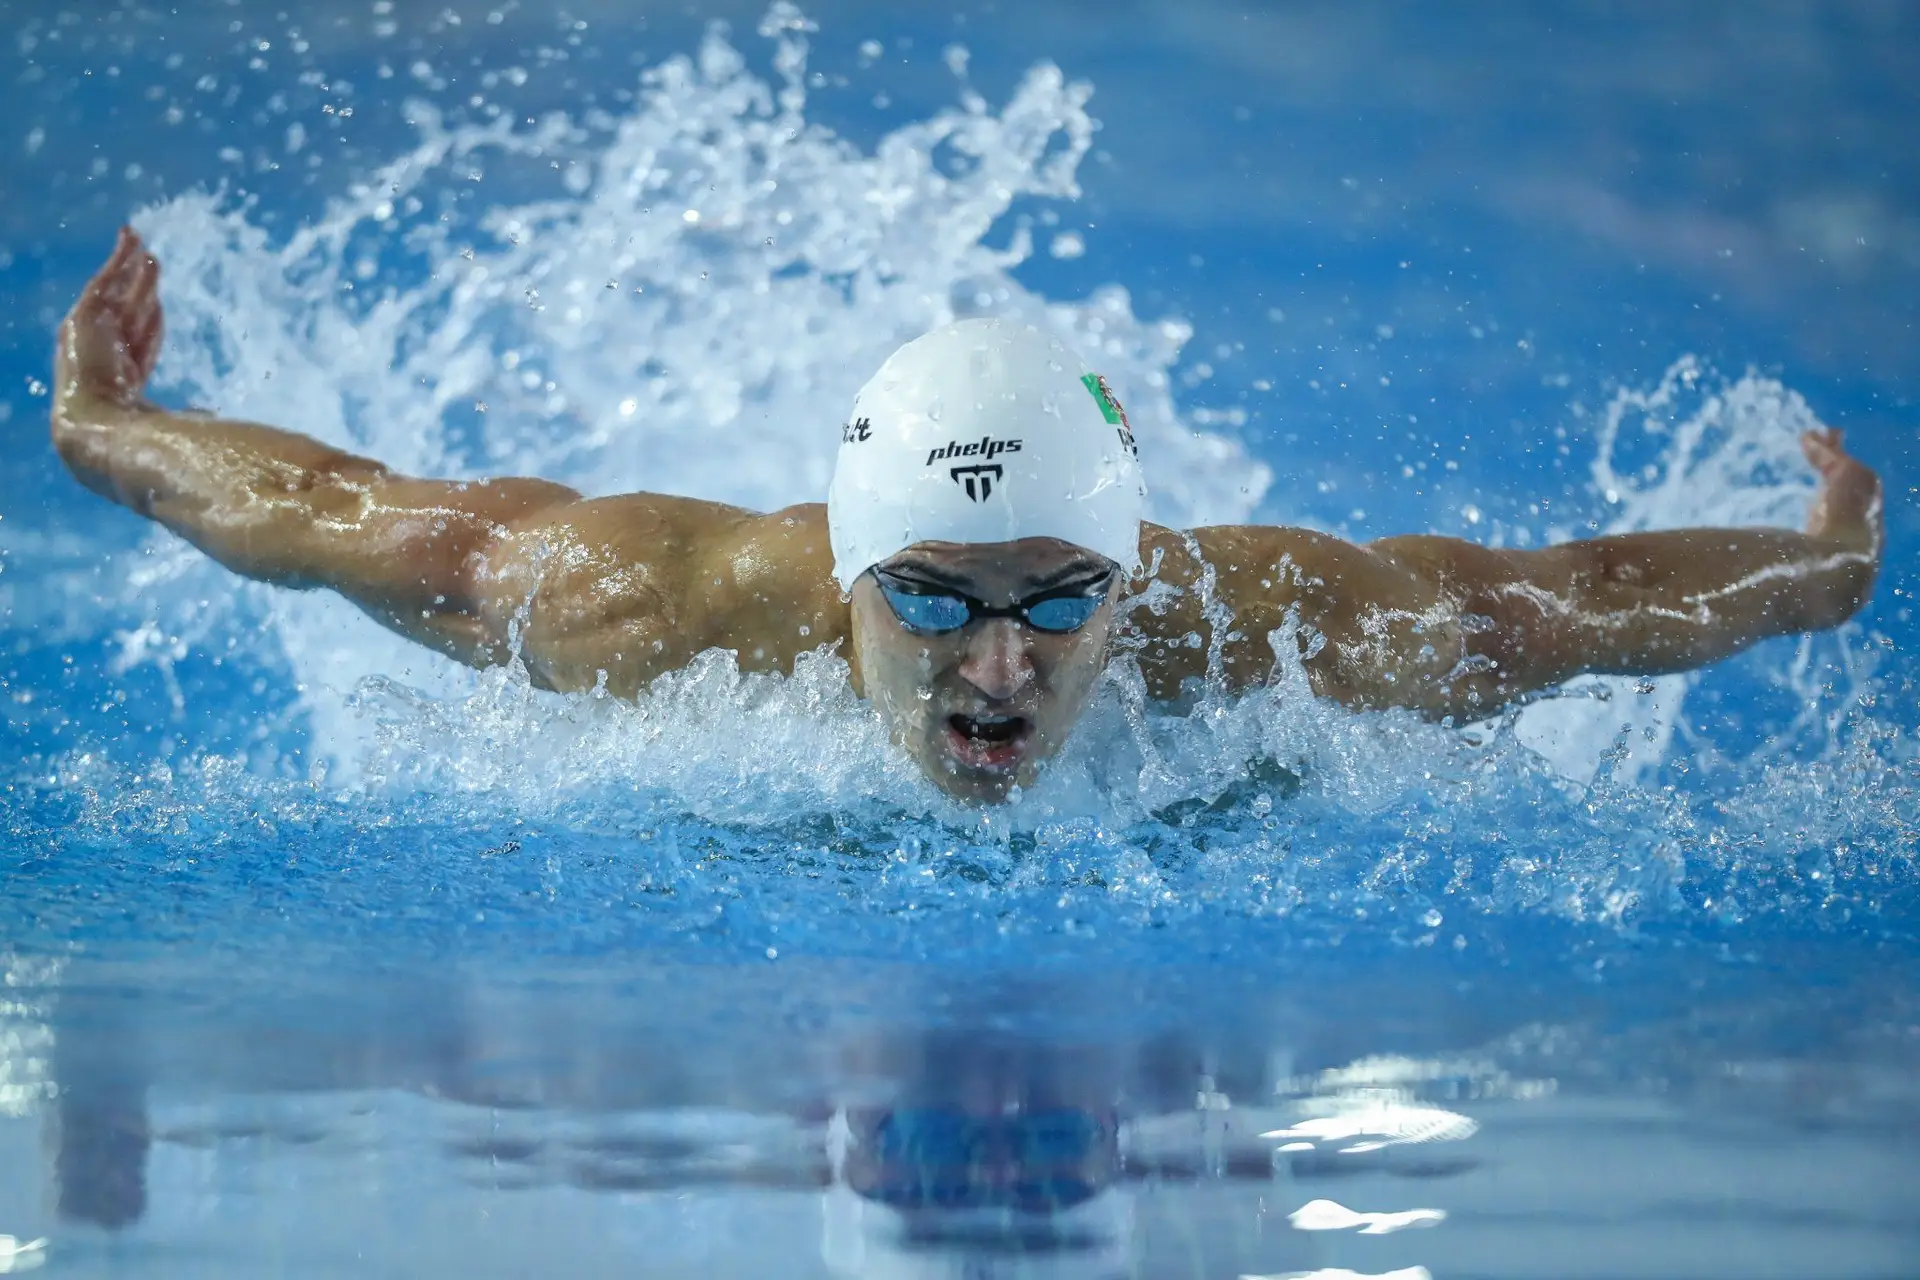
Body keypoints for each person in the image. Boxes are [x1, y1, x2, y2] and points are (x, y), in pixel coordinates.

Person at [51, 228, 1883, 803]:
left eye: (1058, 598)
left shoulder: (1269, 637)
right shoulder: (658, 604)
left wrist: (1820, 569)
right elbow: (352, 516)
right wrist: (109, 431)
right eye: (931, 600)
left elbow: (1562, 602)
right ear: (843, 576)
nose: (1001, 667)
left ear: (1132, 570)